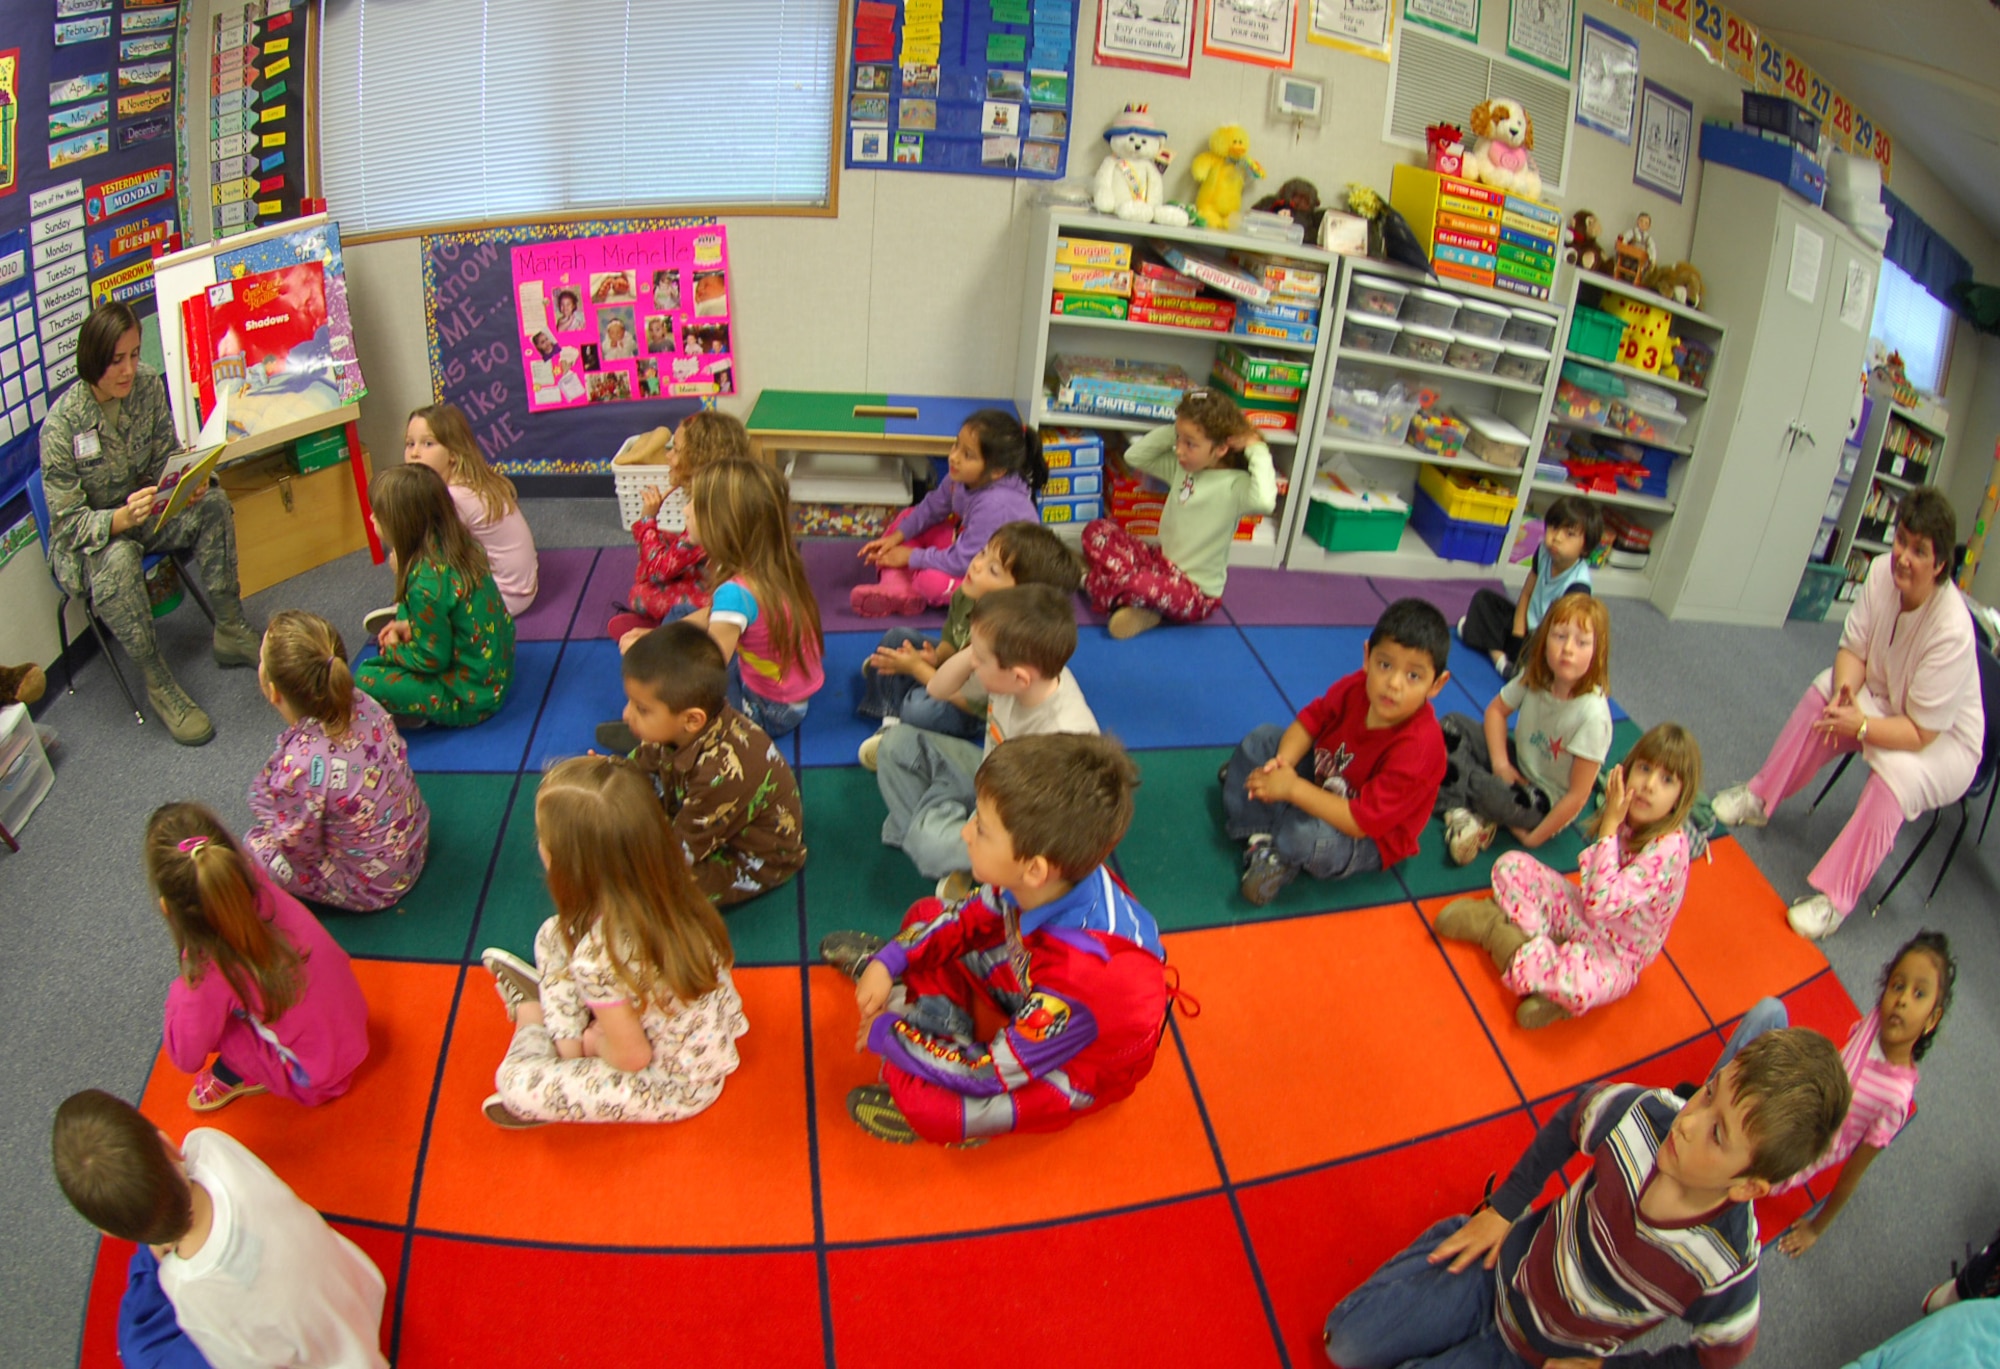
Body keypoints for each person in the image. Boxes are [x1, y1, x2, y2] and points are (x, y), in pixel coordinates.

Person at [1321, 1028, 1851, 1369]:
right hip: (1501, 1272)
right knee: (1344, 1343)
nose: (1689, 1122)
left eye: (1718, 1134)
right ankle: (1462, 1228)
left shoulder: (1723, 1265)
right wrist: (1505, 1208)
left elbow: (1722, 1353)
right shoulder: (1646, 1115)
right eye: (1709, 1094)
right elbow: (1570, 1119)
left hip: (1537, 1356)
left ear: (1747, 1187)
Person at [821, 733, 1167, 1145]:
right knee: (928, 915)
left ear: (1035, 869)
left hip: (1076, 1067)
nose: (966, 834)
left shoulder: (1083, 973)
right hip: (1036, 983)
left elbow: (989, 1072)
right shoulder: (1040, 880)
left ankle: (915, 1027)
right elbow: (964, 918)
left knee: (935, 1111)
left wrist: (889, 1035)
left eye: (982, 830)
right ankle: (918, 1016)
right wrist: (891, 960)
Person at [1712, 489, 1985, 939]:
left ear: (1939, 565)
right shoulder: (1880, 573)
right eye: (1901, 541)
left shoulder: (1952, 629)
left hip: (1943, 744)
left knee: (1894, 777)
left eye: (1920, 551)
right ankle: (1759, 798)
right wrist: (1844, 693)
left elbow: (1919, 733)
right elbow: (1853, 649)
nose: (1903, 558)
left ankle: (1834, 901)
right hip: (1890, 697)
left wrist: (1859, 724)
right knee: (1823, 694)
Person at [477, 755, 748, 1127]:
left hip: (673, 1084)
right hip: (678, 1033)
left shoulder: (597, 957)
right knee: (553, 933)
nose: (539, 845)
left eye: (544, 839)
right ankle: (565, 1038)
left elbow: (632, 1058)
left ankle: (533, 1017)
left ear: (568, 864)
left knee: (514, 1085)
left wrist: (592, 1044)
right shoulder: (677, 890)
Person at [38, 302, 262, 746]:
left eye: (135, 354)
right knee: (120, 558)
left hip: (144, 513)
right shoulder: (61, 427)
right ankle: (159, 681)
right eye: (117, 359)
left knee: (213, 504)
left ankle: (231, 628)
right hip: (90, 544)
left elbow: (165, 455)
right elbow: (66, 525)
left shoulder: (145, 387)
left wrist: (188, 483)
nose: (129, 369)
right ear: (92, 359)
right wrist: (118, 519)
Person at [53, 1089, 388, 1369]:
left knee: (139, 1349)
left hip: (323, 1357)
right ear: (168, 1145)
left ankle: (154, 1239)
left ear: (107, 1234)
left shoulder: (184, 1289)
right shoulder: (209, 1144)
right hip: (353, 1289)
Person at [1436, 721, 1701, 1029]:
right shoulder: (1626, 811)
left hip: (1618, 954)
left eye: (1666, 779)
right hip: (1585, 914)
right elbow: (1590, 899)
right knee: (1512, 865)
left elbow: (1602, 901)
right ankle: (1536, 954)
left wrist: (1608, 829)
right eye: (1644, 769)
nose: (1649, 785)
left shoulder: (1668, 849)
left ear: (1680, 798)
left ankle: (1497, 930)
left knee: (1578, 985)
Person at [1706, 931, 1953, 1260]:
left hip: (1789, 1149)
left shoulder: (1895, 1097)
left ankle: (1715, 1143)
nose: (1903, 999)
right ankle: (1703, 1101)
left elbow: (1854, 1170)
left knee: (1726, 1156)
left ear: (1932, 1019)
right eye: (1897, 986)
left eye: (1919, 993)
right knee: (1770, 1011)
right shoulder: (1874, 1022)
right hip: (1795, 1094)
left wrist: (1815, 1228)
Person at [1221, 598, 1450, 905]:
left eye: (1414, 676)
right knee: (1261, 741)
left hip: (1366, 837)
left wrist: (1291, 788)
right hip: (1322, 781)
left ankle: (1277, 851)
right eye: (1385, 665)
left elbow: (1360, 822)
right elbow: (1309, 722)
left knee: (1301, 835)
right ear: (1367, 657)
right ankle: (1260, 838)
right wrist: (1281, 764)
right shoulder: (1357, 686)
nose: (1394, 683)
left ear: (1436, 684)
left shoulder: (1419, 748)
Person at [876, 583, 1097, 900]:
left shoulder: (1063, 735)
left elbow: (1039, 829)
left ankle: (945, 839)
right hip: (989, 774)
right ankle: (949, 836)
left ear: (1018, 677)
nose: (972, 664)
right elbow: (938, 689)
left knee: (929, 845)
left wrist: (981, 828)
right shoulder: (1016, 675)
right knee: (894, 744)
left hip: (1016, 815)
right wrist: (977, 649)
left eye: (979, 658)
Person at [146, 802, 371, 1112]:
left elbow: (184, 1056)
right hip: (352, 1020)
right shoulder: (255, 881)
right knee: (239, 1000)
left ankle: (241, 1072)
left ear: (167, 908)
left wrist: (183, 989)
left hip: (318, 1075)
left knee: (220, 1028)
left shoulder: (208, 971)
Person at [245, 610, 430, 913]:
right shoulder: (360, 699)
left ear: (273, 691)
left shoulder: (299, 767)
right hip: (414, 844)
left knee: (256, 846)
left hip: (376, 885)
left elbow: (299, 850)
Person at [857, 520, 1084, 760]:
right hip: (960, 669)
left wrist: (916, 667)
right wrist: (936, 657)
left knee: (919, 709)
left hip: (973, 706)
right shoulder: (966, 595)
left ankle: (898, 685)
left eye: (993, 570)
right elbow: (950, 641)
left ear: (1022, 598)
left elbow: (962, 698)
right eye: (983, 553)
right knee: (897, 636)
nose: (976, 565)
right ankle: (889, 713)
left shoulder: (1005, 647)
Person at [617, 622, 805, 907]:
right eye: (630, 703)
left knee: (646, 885)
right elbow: (642, 766)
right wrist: (608, 779)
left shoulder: (721, 773)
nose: (625, 715)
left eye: (641, 709)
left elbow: (679, 855)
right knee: (625, 797)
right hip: (700, 814)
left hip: (752, 859)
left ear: (692, 719)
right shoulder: (680, 729)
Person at [1081, 389, 1277, 639]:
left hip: (1195, 592)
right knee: (1097, 530)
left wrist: (1255, 445)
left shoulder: (1235, 485)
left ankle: (1090, 580)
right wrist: (1178, 429)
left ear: (1221, 449)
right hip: (1159, 563)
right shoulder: (1182, 468)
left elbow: (1264, 501)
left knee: (1139, 583)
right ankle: (1138, 603)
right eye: (1178, 440)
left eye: (1190, 444)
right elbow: (1135, 455)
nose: (1179, 450)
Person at [1436, 592, 1613, 867]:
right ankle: (1465, 811)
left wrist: (1535, 838)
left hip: (1542, 797)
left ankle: (1456, 798)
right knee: (1451, 724)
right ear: (1545, 639)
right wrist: (1501, 764)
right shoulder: (1535, 676)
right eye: (1560, 636)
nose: (1568, 649)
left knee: (1487, 791)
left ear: (1597, 652)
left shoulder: (1593, 715)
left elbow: (1577, 796)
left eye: (1581, 642)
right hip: (1516, 761)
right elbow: (1495, 712)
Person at [667, 459, 824, 738]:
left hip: (769, 710)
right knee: (679, 617)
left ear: (724, 523)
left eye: (695, 504)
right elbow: (713, 614)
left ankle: (668, 730)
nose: (685, 509)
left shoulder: (735, 593)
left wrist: (655, 661)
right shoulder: (773, 562)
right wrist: (663, 636)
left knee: (686, 690)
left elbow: (709, 672)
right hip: (790, 694)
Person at [353, 463, 516, 728]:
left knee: (365, 676)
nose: (371, 518)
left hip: (472, 699)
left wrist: (395, 650)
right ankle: (411, 622)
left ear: (401, 526)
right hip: (496, 672)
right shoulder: (461, 544)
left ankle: (417, 712)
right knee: (414, 611)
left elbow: (431, 660)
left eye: (378, 515)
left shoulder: (425, 585)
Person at [851, 409, 1043, 616]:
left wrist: (911, 557)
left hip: (998, 577)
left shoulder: (995, 504)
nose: (954, 457)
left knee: (930, 581)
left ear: (997, 471)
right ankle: (896, 586)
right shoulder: (960, 476)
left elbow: (963, 562)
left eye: (967, 455)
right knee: (909, 518)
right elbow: (932, 507)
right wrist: (896, 538)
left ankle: (907, 589)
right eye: (956, 444)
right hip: (972, 547)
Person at [605, 410, 754, 640]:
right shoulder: (730, 491)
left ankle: (671, 629)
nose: (668, 456)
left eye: (675, 449)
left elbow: (657, 571)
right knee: (660, 541)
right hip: (734, 582)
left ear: (698, 459)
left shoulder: (709, 511)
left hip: (728, 597)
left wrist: (647, 519)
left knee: (641, 594)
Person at [398, 402, 539, 617]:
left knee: (421, 572)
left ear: (453, 452)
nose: (415, 453)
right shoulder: (469, 480)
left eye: (427, 444)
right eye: (410, 444)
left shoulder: (454, 498)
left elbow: (432, 557)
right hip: (522, 587)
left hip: (502, 599)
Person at [1456, 495, 1600, 675]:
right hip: (1525, 624)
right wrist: (1518, 633)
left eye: (1569, 534)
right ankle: (1502, 660)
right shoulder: (1544, 552)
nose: (1557, 538)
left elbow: (1563, 635)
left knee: (1546, 664)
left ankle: (1496, 652)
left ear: (1585, 548)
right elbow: (1526, 594)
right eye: (1554, 528)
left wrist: (1527, 644)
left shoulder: (1578, 587)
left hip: (1546, 638)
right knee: (1484, 599)